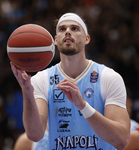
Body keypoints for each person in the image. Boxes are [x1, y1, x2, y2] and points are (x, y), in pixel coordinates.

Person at [10, 12, 130, 150]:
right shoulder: (41, 79)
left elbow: (122, 140)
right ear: (55, 40)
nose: (67, 32)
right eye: (62, 29)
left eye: (74, 28)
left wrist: (83, 106)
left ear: (87, 38)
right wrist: (27, 91)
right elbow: (35, 135)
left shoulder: (108, 77)